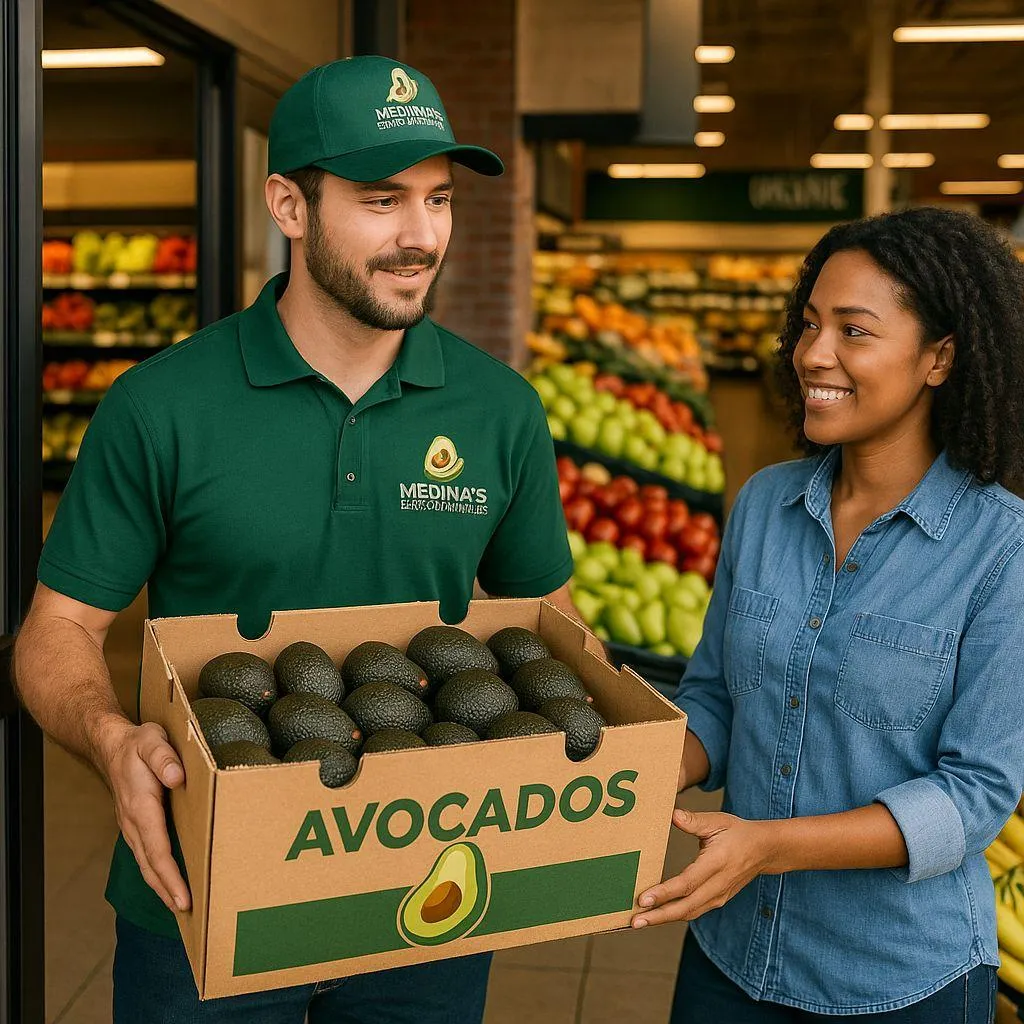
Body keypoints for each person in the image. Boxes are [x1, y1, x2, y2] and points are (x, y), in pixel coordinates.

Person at [14, 56, 576, 1023]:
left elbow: (550, 626)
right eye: (380, 200)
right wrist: (112, 741)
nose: (420, 236)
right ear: (288, 204)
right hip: (203, 891)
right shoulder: (162, 406)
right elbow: (55, 630)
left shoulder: (501, 411)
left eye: (439, 200)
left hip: (429, 887)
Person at [632, 207, 1024, 1022]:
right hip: (731, 954)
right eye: (809, 325)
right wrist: (644, 770)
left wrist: (772, 847)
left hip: (899, 978)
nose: (814, 354)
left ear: (939, 358)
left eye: (855, 331)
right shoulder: (765, 503)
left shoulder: (1001, 550)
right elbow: (715, 695)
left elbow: (975, 795)